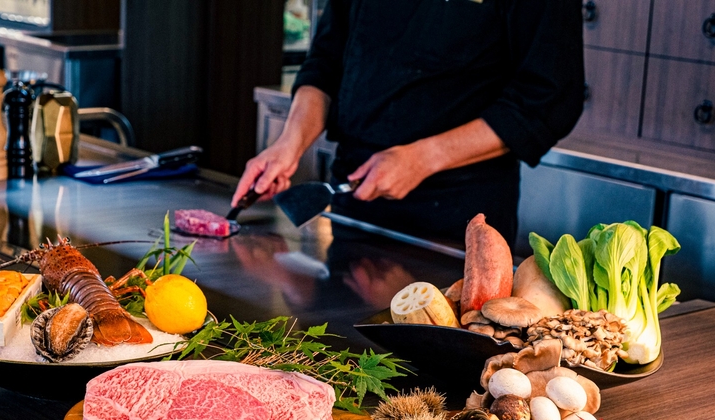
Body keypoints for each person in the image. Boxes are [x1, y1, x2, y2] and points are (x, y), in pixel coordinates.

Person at [232, 0, 585, 244]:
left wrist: (421, 159)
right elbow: (326, 62)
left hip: (457, 220)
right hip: (354, 200)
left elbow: (548, 98)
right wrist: (287, 145)